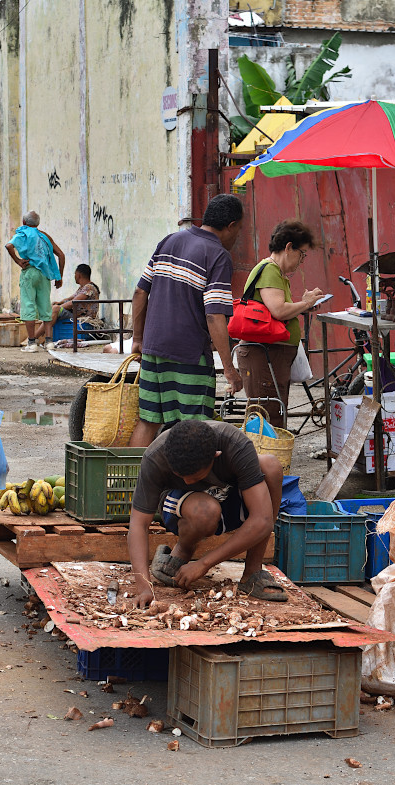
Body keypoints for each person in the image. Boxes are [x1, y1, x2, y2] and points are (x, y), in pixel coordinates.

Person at [126, 420, 286, 606]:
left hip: (226, 496)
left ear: (215, 456)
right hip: (183, 506)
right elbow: (138, 524)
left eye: (195, 477)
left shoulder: (234, 444)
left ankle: (252, 572)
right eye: (181, 476)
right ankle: (181, 553)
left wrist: (203, 564)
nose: (187, 481)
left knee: (271, 466)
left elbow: (262, 520)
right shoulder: (155, 456)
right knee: (206, 511)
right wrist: (144, 587)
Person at [128, 194, 244, 447]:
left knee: (148, 420)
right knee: (193, 428)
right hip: (188, 354)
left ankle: (133, 484)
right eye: (239, 230)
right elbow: (214, 314)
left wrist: (137, 339)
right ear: (232, 225)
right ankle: (187, 487)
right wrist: (229, 368)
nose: (237, 237)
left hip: (153, 348)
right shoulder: (218, 255)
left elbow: (139, 292)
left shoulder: (170, 240)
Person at [234, 219, 324, 429]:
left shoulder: (278, 273)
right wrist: (305, 302)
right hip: (263, 355)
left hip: (271, 355)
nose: (302, 260)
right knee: (267, 415)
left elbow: (278, 310)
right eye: (302, 254)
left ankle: (269, 459)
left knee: (273, 412)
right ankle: (264, 460)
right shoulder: (270, 270)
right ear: (288, 247)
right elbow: (279, 310)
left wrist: (304, 305)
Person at [5, 210, 64, 352]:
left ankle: (32, 343)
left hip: (30, 272)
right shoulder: (44, 236)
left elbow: (8, 245)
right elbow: (61, 255)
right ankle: (49, 342)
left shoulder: (23, 233)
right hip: (45, 274)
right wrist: (59, 277)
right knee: (45, 307)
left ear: (24, 222)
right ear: (37, 223)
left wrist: (18, 261)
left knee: (28, 306)